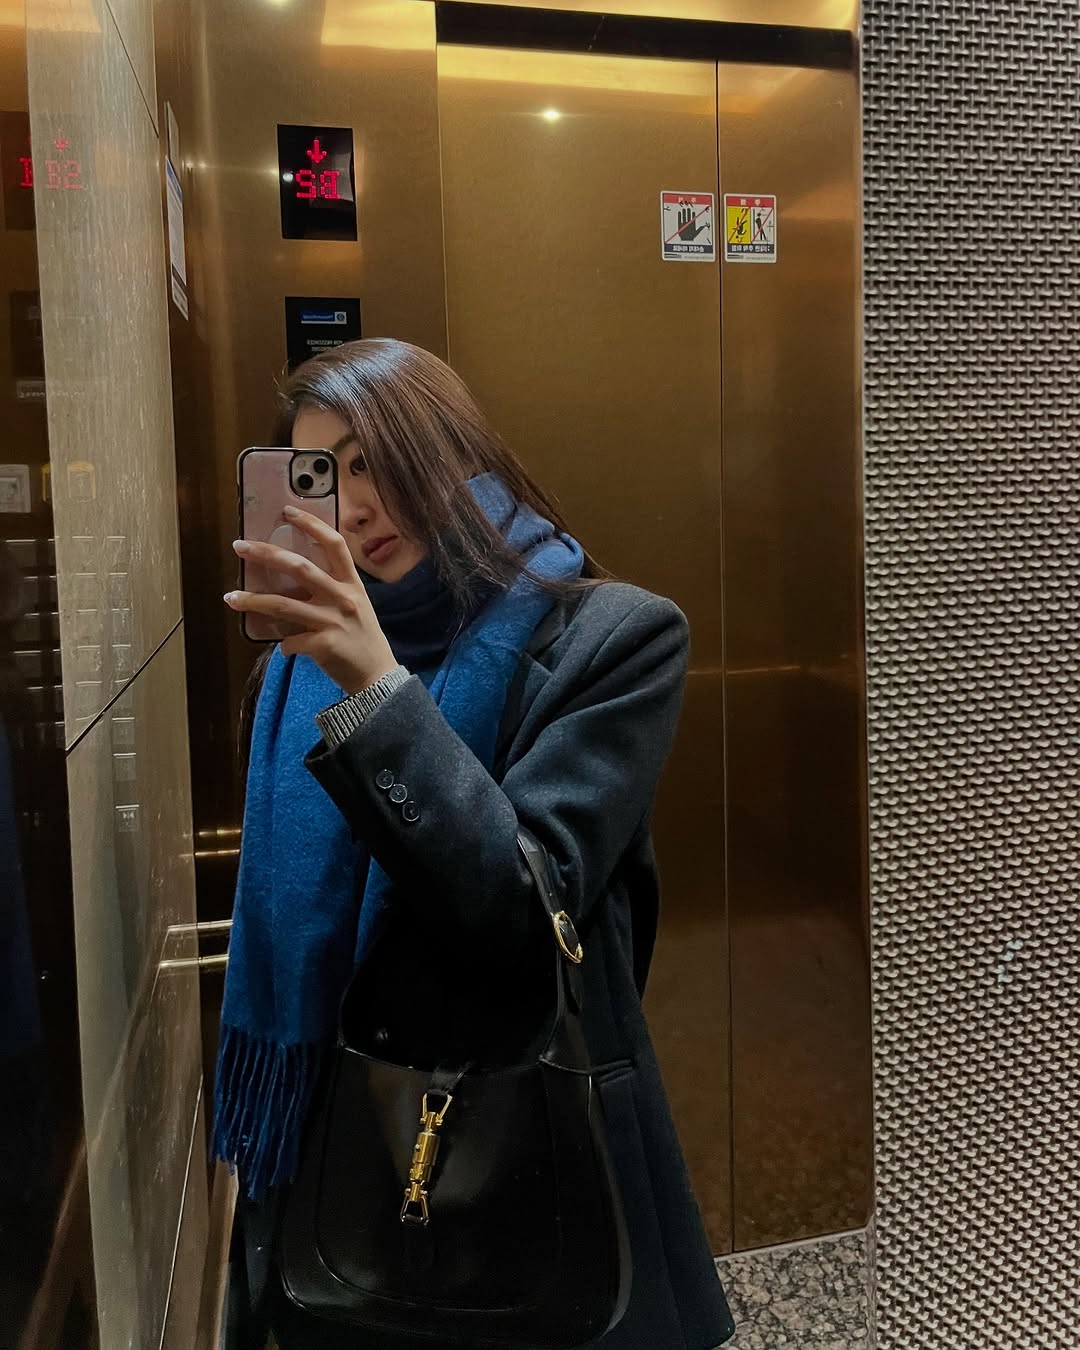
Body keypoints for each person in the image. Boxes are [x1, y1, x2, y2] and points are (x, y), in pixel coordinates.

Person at [215, 339, 735, 1350]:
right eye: (321, 476)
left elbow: (520, 915)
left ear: (448, 450)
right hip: (332, 1160)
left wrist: (378, 692)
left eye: (372, 462)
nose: (352, 508)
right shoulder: (292, 669)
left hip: (518, 1139)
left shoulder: (613, 640)